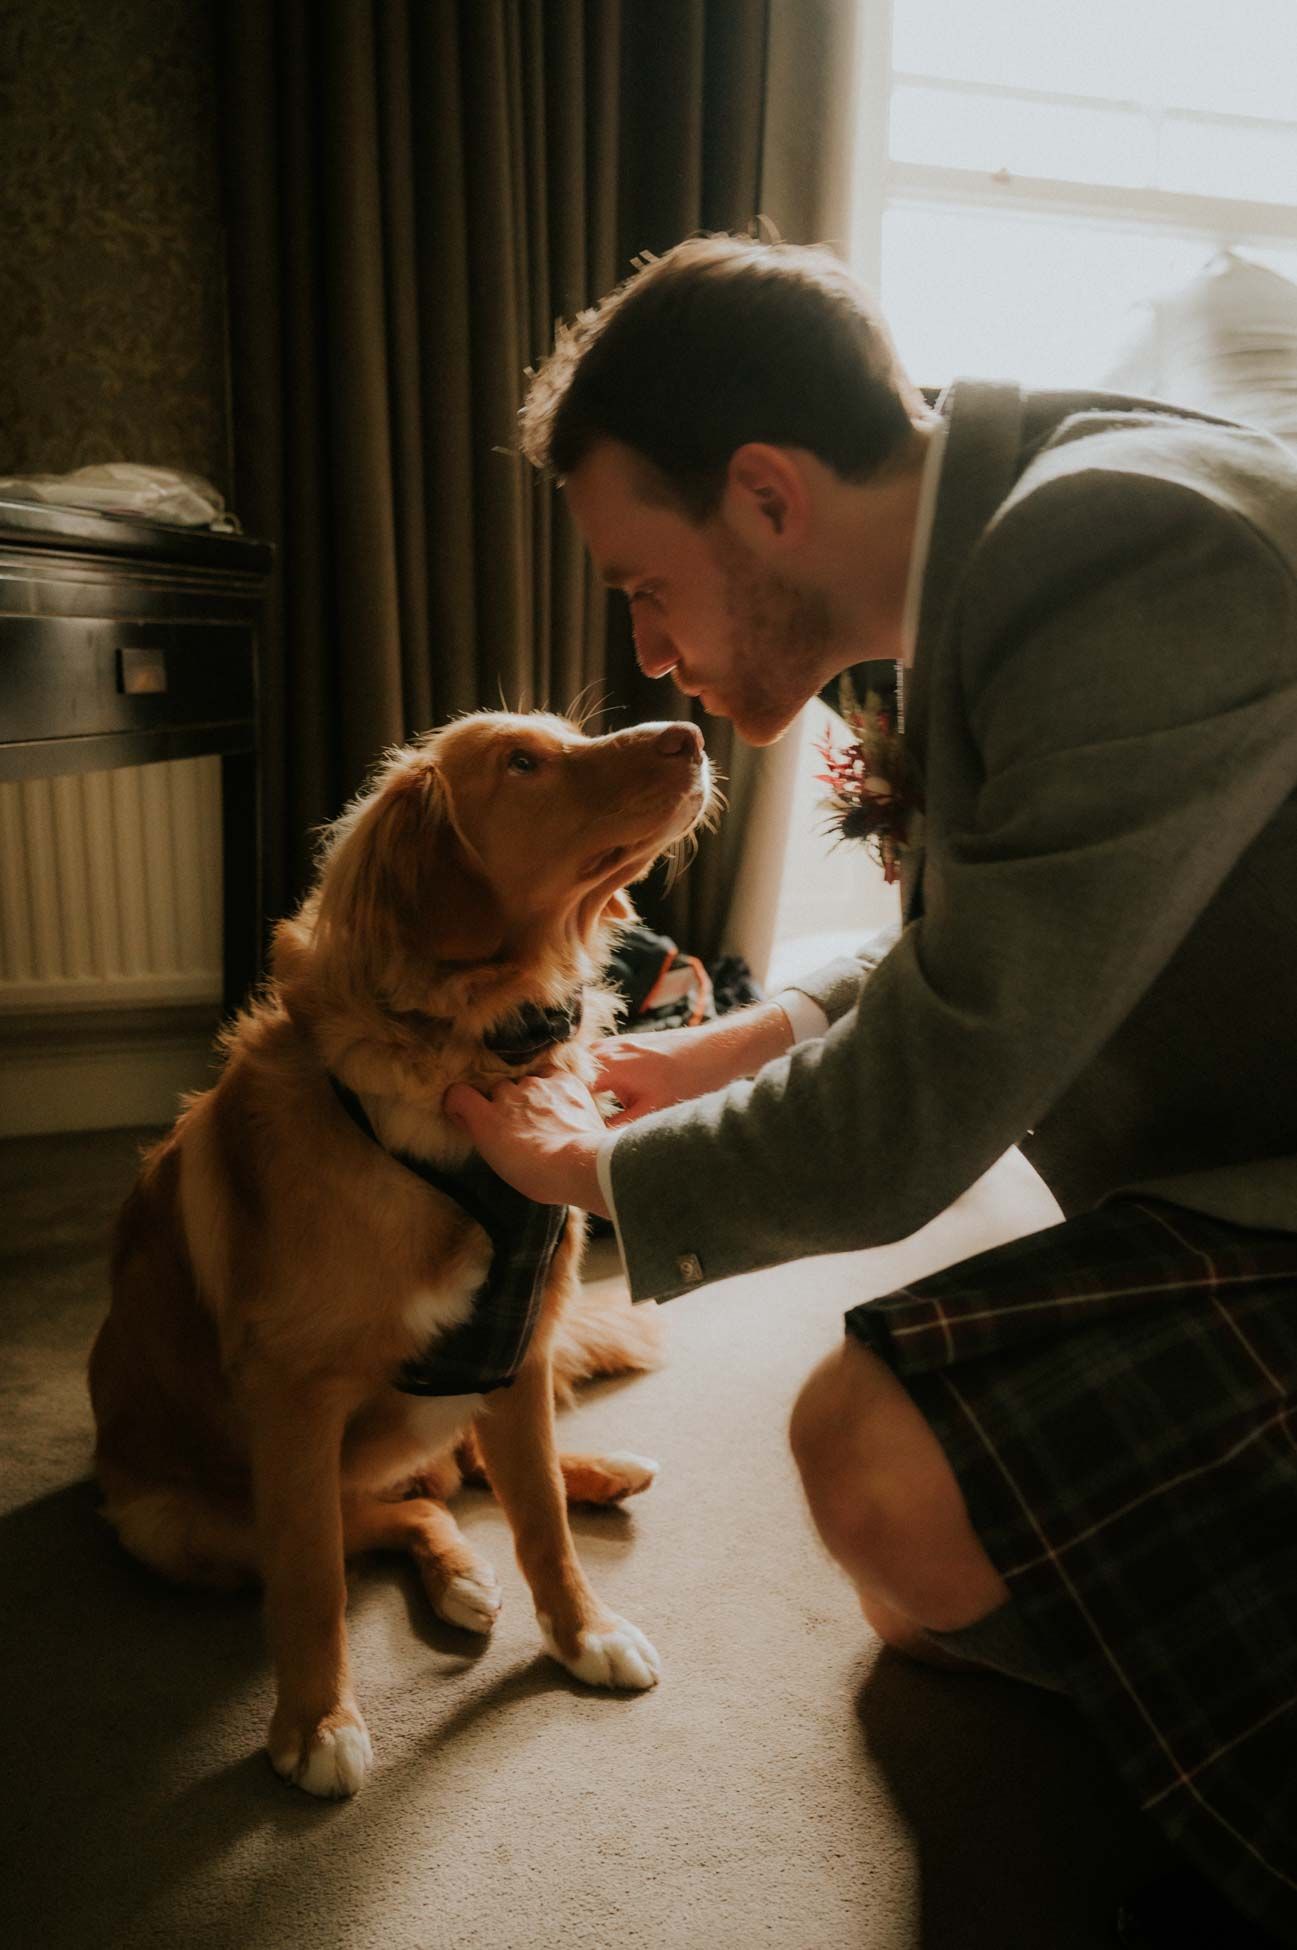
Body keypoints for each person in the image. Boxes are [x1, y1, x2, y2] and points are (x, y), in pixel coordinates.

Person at [442, 235, 1297, 1947]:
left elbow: (915, 1120)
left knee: (875, 1456)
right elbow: (1005, 939)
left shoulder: (1118, 542)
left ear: (763, 498)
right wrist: (736, 1038)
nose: (651, 650)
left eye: (640, 583)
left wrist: (591, 1164)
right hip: (1230, 1150)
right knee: (912, 1539)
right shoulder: (997, 547)